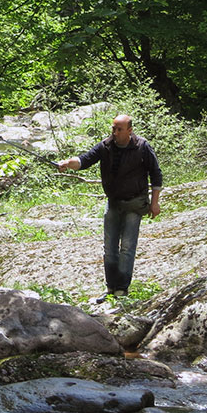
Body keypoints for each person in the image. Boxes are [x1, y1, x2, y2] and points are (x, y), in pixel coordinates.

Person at [56, 114, 162, 302]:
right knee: (109, 248)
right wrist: (67, 163)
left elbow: (156, 174)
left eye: (119, 129)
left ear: (130, 130)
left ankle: (122, 289)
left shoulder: (142, 147)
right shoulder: (105, 146)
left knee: (127, 247)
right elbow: (84, 160)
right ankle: (111, 287)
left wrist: (155, 203)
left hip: (135, 204)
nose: (115, 132)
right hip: (113, 203)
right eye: (113, 128)